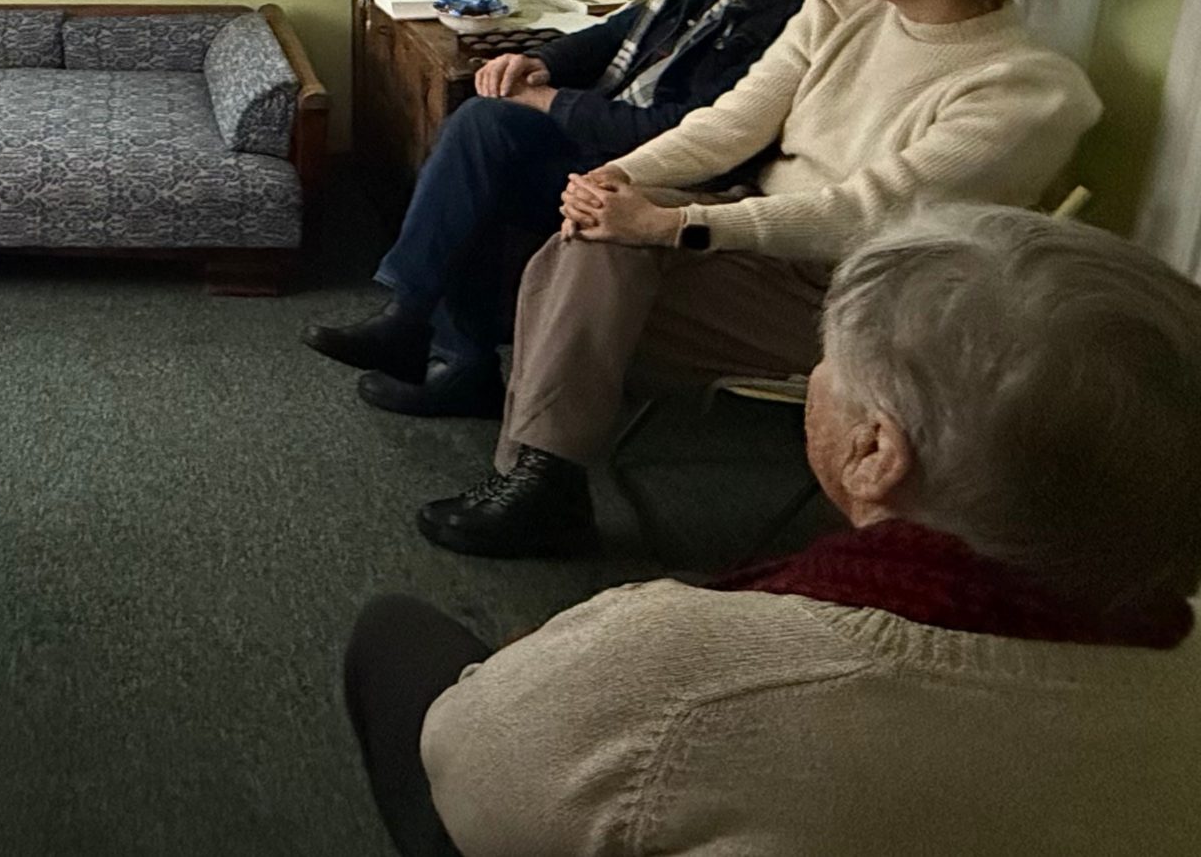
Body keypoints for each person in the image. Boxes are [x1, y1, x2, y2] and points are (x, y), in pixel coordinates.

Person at [343, 207, 1201, 857]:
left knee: (396, 635)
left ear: (874, 452)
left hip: (560, 729)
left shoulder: (683, 675)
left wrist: (557, 669)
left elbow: (468, 775)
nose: (817, 378)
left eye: (829, 364)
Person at [417, 0, 1101, 558]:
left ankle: (536, 474)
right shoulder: (836, 15)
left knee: (579, 274)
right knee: (592, 234)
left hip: (870, 296)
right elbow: (727, 127)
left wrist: (677, 225)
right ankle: (543, 479)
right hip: (760, 241)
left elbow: (865, 213)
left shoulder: (1027, 88)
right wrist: (618, 177)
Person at [304, 0, 850, 417]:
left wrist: (550, 101)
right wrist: (542, 62)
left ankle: (432, 336)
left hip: (673, 176)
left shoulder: (798, 12)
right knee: (479, 141)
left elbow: (685, 134)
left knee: (483, 148)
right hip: (616, 126)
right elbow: (623, 27)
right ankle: (436, 341)